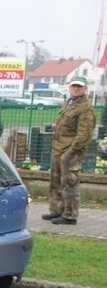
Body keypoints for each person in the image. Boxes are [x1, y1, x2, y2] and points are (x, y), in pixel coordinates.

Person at [42, 76, 96, 225]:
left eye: (79, 86)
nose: (76, 89)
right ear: (69, 88)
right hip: (58, 148)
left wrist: (71, 152)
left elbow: (84, 134)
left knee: (70, 183)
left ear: (85, 89)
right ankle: (57, 211)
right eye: (74, 86)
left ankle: (70, 216)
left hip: (70, 152)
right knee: (56, 182)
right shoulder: (69, 103)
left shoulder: (85, 108)